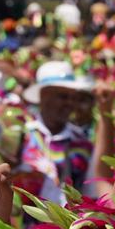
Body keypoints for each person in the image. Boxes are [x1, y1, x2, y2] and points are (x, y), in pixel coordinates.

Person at [17, 60, 95, 203]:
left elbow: (90, 191)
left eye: (73, 98)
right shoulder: (22, 134)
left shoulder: (82, 142)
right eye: (63, 96)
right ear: (43, 96)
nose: (70, 103)